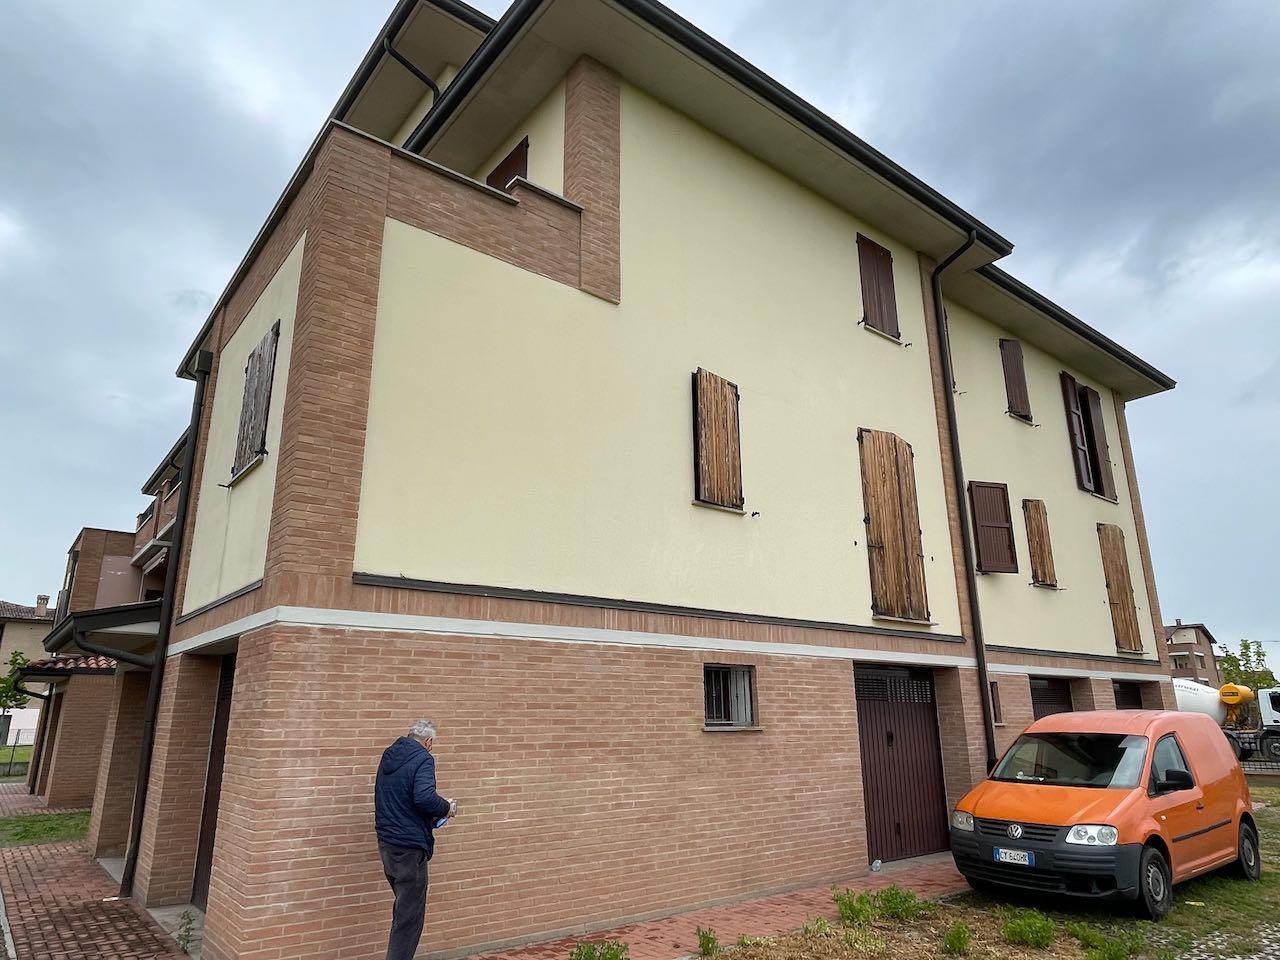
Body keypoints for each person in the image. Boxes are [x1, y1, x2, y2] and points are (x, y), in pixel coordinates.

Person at [375, 718, 457, 960]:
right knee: (409, 918)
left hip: (388, 844)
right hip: (410, 848)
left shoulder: (389, 755)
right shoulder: (423, 759)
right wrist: (446, 808)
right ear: (428, 742)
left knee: (403, 909)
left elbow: (399, 798)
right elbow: (424, 798)